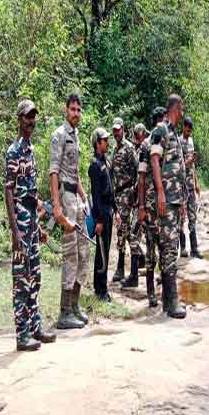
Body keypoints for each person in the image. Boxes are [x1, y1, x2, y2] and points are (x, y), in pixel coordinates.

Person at [4, 99, 56, 351]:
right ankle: (21, 334)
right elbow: (9, 192)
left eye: (33, 118)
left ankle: (35, 327)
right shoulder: (13, 151)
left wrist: (39, 227)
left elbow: (31, 194)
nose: (31, 122)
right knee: (20, 280)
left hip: (31, 223)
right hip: (20, 225)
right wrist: (15, 233)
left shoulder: (31, 151)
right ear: (19, 119)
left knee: (34, 277)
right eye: (27, 117)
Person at [50, 93, 90, 329]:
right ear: (66, 110)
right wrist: (57, 208)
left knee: (84, 253)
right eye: (72, 109)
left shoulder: (76, 136)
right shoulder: (59, 135)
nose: (76, 113)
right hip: (65, 198)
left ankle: (74, 305)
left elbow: (75, 173)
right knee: (70, 254)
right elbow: (54, 172)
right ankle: (64, 312)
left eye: (78, 109)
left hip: (76, 197)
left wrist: (85, 197)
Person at [150, 95, 188, 319]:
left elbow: (178, 169)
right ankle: (172, 300)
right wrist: (161, 192)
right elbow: (155, 160)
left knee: (169, 247)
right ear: (176, 107)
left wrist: (181, 201)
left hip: (175, 201)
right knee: (170, 249)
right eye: (181, 107)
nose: (182, 111)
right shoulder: (161, 130)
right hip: (166, 201)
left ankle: (167, 299)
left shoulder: (173, 132)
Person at [135, 108, 166, 305]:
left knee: (166, 249)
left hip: (165, 208)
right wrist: (141, 206)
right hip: (150, 206)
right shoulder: (146, 146)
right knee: (151, 250)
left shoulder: (168, 143)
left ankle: (165, 291)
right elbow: (141, 177)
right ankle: (150, 293)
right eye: (161, 122)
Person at [111, 117, 140, 286]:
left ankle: (123, 268)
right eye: (114, 130)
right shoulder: (115, 149)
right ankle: (126, 264)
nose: (116, 133)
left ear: (124, 129)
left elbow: (137, 172)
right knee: (123, 230)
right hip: (118, 194)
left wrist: (135, 195)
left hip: (127, 194)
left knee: (123, 229)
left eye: (118, 130)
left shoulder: (129, 149)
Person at [89, 127, 115, 302]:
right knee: (102, 252)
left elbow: (111, 189)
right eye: (105, 140)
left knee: (106, 248)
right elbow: (95, 194)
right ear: (98, 143)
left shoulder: (107, 161)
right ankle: (100, 290)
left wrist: (116, 210)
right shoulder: (94, 165)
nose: (108, 142)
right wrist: (98, 219)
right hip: (101, 213)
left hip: (109, 211)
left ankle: (103, 287)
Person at [180, 117, 202, 259]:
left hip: (190, 185)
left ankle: (194, 248)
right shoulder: (178, 141)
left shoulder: (191, 141)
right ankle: (183, 248)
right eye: (187, 129)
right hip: (181, 186)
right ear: (183, 127)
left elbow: (193, 166)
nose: (188, 132)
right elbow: (179, 164)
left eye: (190, 130)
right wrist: (188, 162)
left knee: (192, 216)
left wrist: (196, 182)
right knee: (181, 218)